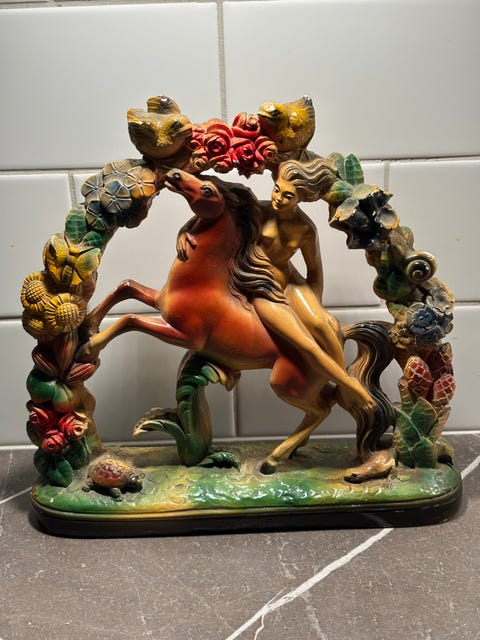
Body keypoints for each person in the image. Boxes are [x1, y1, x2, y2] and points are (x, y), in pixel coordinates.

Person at [177, 158, 374, 414]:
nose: (279, 198)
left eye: (288, 196)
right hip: (262, 287)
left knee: (323, 324)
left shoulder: (306, 230)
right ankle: (349, 384)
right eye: (277, 190)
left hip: (292, 283)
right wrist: (184, 231)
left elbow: (314, 270)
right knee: (305, 343)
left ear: (301, 198)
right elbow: (213, 214)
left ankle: (340, 378)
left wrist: (315, 306)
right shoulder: (260, 211)